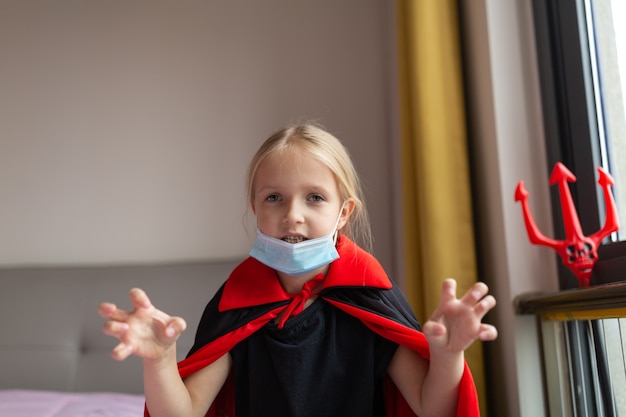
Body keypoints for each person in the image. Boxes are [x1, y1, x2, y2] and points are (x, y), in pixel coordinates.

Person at [99, 123, 498, 417]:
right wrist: (161, 361)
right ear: (255, 207)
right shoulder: (235, 304)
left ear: (344, 213)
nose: (293, 216)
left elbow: (434, 409)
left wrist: (448, 357)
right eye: (274, 197)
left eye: (315, 198)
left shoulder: (370, 297)